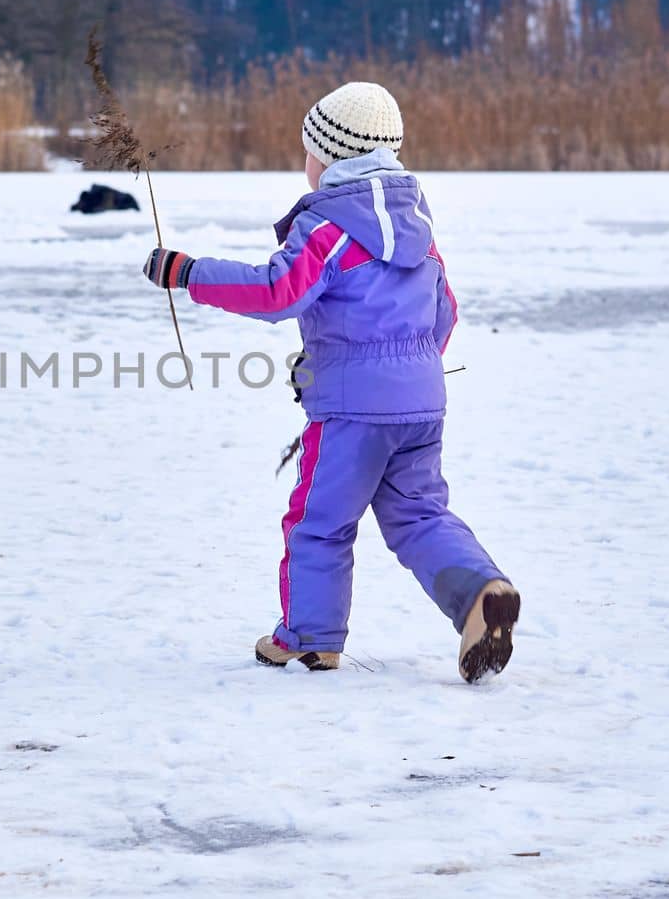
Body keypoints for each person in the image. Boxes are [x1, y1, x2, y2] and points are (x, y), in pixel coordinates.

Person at [141, 82, 519, 682]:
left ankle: (308, 638)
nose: (306, 164)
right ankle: (480, 593)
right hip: (422, 403)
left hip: (351, 409)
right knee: (420, 514)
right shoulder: (417, 228)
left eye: (310, 152)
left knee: (319, 520)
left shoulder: (328, 227)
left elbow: (276, 291)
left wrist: (189, 272)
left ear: (332, 156)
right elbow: (444, 310)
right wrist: (411, 370)